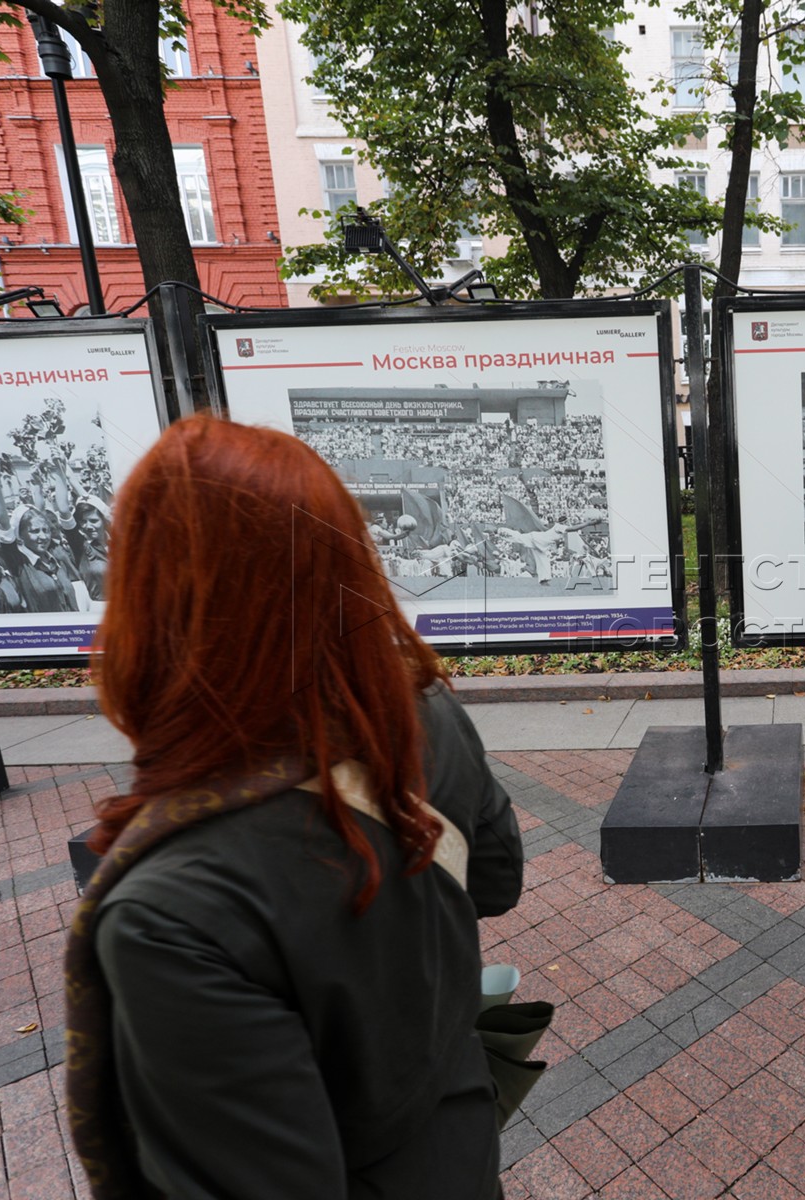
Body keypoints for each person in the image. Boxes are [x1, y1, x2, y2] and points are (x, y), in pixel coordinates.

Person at [64, 415, 524, 1199]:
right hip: (455, 1138)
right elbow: (496, 883)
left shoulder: (172, 909)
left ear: (151, 599)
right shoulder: (424, 712)